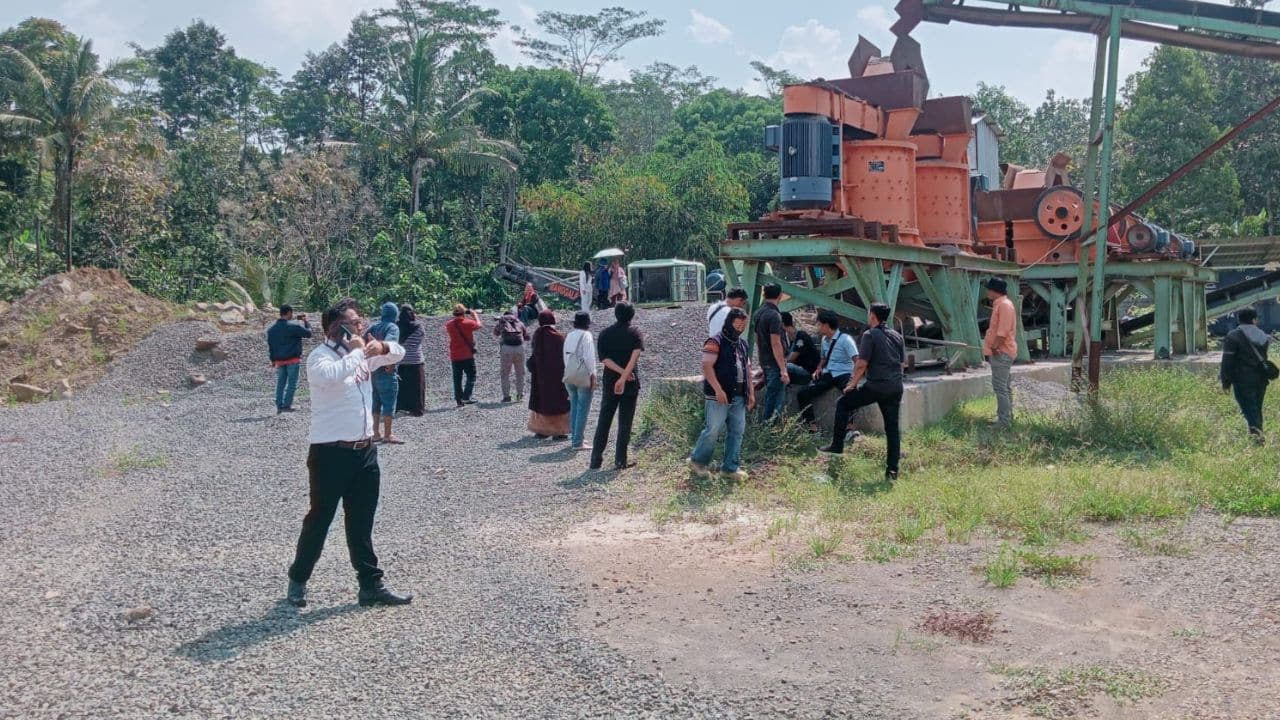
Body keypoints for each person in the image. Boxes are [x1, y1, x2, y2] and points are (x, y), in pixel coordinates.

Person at [286, 299, 412, 608]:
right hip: (330, 454)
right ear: (338, 328)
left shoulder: (362, 355)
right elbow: (331, 376)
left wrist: (381, 347)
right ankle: (298, 578)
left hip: (364, 451)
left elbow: (399, 353)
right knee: (320, 519)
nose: (361, 327)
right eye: (355, 323)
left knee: (361, 521)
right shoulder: (319, 357)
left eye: (360, 322)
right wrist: (357, 351)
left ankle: (370, 585)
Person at [820, 302, 904, 482]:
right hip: (896, 386)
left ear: (872, 316)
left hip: (877, 386)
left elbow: (861, 364)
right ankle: (892, 472)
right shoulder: (897, 335)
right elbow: (901, 363)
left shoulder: (869, 335)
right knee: (892, 428)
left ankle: (837, 446)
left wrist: (851, 384)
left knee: (843, 403)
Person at [688, 307, 756, 481]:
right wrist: (718, 389)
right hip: (718, 396)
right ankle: (697, 461)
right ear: (729, 322)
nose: (740, 329)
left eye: (743, 326)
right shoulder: (714, 341)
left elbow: (747, 370)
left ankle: (730, 468)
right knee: (713, 430)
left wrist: (751, 393)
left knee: (737, 431)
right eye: (737, 325)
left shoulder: (742, 344)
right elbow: (707, 366)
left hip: (739, 396)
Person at [590, 302, 643, 471]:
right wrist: (625, 377)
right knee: (625, 422)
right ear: (632, 315)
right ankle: (620, 460)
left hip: (610, 382)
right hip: (630, 383)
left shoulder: (605, 334)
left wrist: (619, 375)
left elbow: (604, 360)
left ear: (615, 314)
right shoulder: (635, 333)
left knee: (604, 419)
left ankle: (595, 459)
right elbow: (634, 357)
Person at [797, 310, 859, 430]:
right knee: (803, 393)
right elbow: (824, 358)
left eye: (819, 324)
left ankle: (850, 426)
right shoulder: (824, 340)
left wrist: (854, 379)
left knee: (851, 392)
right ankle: (811, 425)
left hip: (844, 373)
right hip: (829, 373)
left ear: (826, 325)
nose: (818, 327)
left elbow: (857, 360)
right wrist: (819, 368)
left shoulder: (846, 339)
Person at [1221, 306, 1272, 442]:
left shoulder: (1233, 336)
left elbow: (1227, 361)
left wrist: (1225, 382)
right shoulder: (1263, 336)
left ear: (1239, 319)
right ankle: (1258, 434)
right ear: (1255, 320)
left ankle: (1257, 438)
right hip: (1261, 379)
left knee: (1249, 409)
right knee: (1256, 407)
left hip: (1242, 379)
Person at [527, 310, 571, 439]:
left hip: (541, 375)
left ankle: (542, 430)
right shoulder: (559, 336)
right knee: (558, 401)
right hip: (557, 376)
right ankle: (559, 431)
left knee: (542, 400)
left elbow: (534, 354)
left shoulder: (537, 335)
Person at [983, 278, 1017, 428]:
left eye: (989, 289)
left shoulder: (1004, 305)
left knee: (1000, 388)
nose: (987, 292)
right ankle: (1007, 418)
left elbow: (1002, 332)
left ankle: (1003, 422)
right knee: (1005, 387)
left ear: (994, 291)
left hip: (1001, 352)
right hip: (1002, 351)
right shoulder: (1002, 304)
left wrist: (994, 347)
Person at [366, 302, 402, 444]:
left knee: (375, 402)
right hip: (386, 370)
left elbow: (364, 343)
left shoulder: (373, 327)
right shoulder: (392, 327)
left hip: (372, 371)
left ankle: (375, 433)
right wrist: (390, 364)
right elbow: (389, 346)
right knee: (389, 402)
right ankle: (388, 434)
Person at [266, 304, 312, 414]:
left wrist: (273, 360)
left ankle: (279, 405)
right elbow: (309, 333)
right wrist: (306, 322)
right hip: (292, 360)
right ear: (289, 313)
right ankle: (286, 405)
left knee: (280, 383)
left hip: (279, 361)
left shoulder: (271, 330)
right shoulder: (293, 326)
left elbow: (271, 347)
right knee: (291, 384)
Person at [563, 310, 597, 451]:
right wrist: (593, 374)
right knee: (583, 408)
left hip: (569, 374)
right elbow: (589, 358)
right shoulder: (586, 335)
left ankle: (575, 437)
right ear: (587, 323)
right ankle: (578, 442)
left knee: (574, 407)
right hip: (583, 375)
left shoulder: (569, 335)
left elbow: (565, 356)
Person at [755, 283, 790, 422]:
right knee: (775, 401)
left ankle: (767, 428)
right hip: (775, 363)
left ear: (764, 295)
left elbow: (758, 339)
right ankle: (770, 429)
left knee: (770, 396)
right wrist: (783, 369)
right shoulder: (774, 315)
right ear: (780, 295)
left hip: (765, 360)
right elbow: (776, 343)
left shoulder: (759, 313)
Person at [446, 304, 482, 408]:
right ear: (464, 312)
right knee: (471, 375)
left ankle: (459, 400)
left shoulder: (449, 324)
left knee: (457, 378)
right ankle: (466, 396)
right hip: (467, 355)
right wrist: (474, 315)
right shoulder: (468, 323)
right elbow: (479, 325)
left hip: (455, 355)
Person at [395, 304, 426, 417]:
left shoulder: (397, 326)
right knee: (417, 387)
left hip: (401, 360)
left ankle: (402, 407)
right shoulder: (418, 326)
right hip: (416, 360)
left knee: (403, 386)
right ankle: (417, 409)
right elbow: (420, 339)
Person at [494, 309, 529, 403]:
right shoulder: (520, 323)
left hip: (506, 349)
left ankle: (506, 397)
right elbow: (527, 337)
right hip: (519, 348)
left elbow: (495, 333)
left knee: (505, 373)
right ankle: (519, 396)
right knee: (520, 373)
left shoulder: (502, 322)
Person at [782, 311, 818, 386]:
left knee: (782, 366)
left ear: (782, 325)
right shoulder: (789, 338)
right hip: (799, 368)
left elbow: (791, 358)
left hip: (808, 371)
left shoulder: (801, 337)